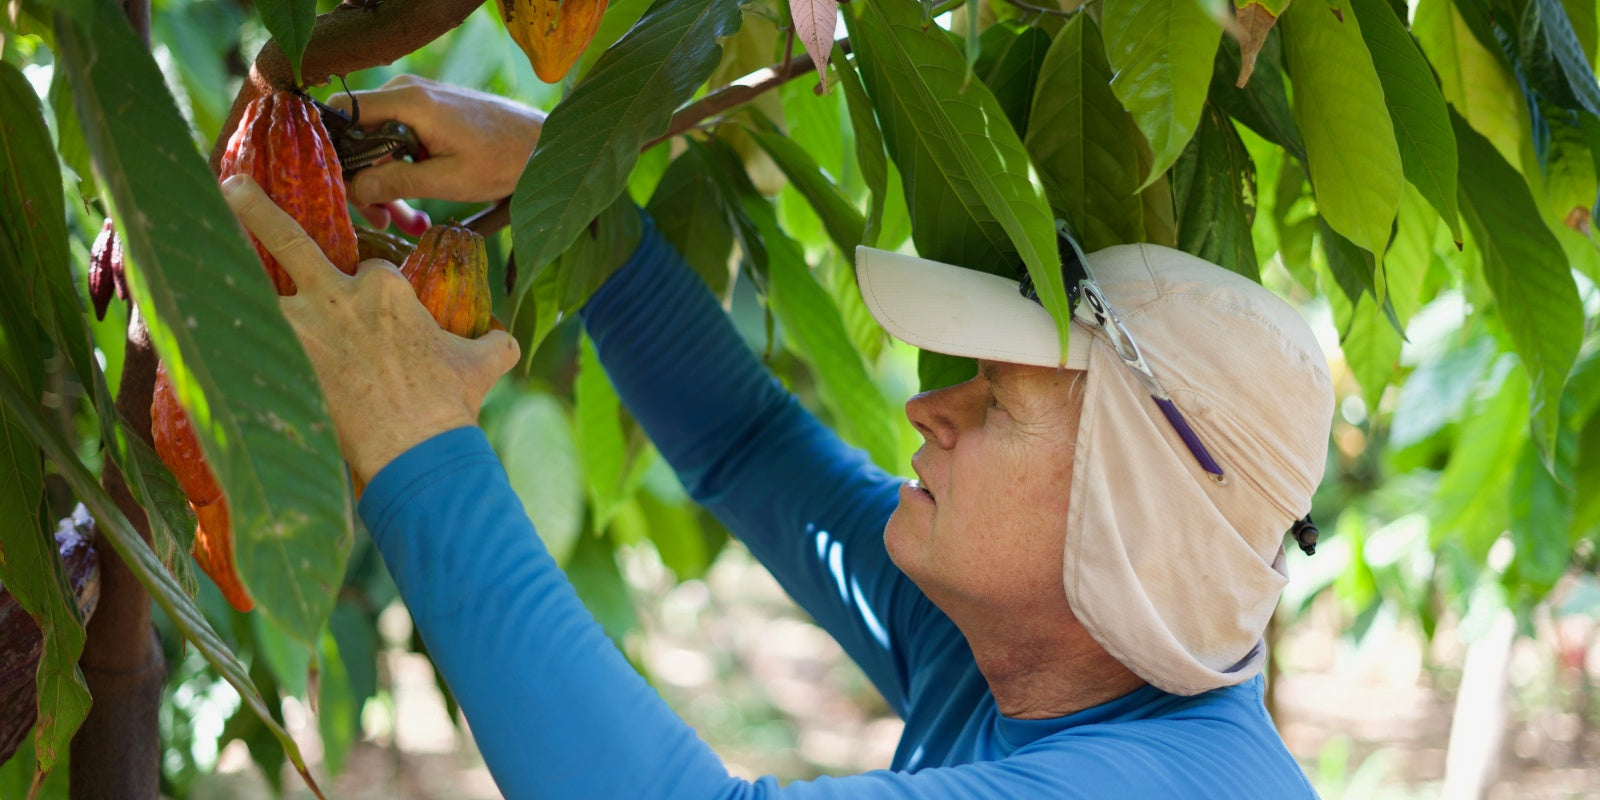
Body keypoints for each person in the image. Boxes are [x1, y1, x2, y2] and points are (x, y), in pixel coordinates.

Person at [221, 74, 1333, 798]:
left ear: (1126, 520)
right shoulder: (1028, 659)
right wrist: (564, 177)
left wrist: (421, 448)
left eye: (994, 401)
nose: (925, 409)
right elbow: (745, 441)